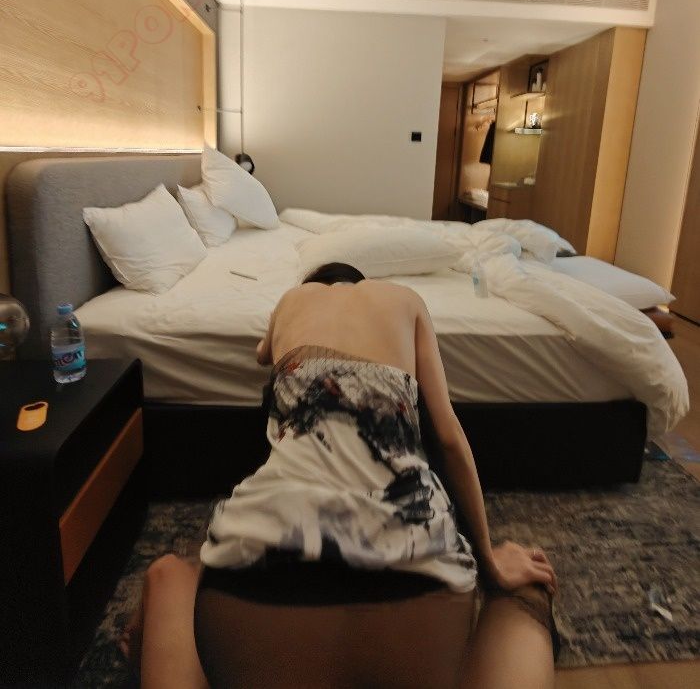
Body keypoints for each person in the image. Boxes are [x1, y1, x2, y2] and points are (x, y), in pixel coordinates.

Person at [121, 262, 559, 689]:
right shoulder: (405, 300)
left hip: (250, 594)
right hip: (418, 592)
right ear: (361, 283)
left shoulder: (291, 301)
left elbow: (261, 353)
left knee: (168, 573)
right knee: (528, 592)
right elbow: (448, 438)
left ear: (315, 285)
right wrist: (490, 562)